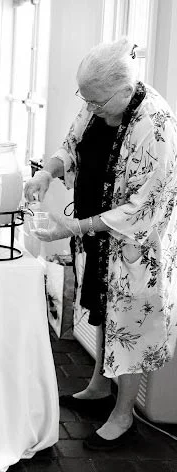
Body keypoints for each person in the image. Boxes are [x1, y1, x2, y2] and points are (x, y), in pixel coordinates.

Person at [25, 37, 177, 450]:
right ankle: (97, 386)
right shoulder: (99, 101)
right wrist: (47, 172)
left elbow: (142, 207)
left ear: (126, 91)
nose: (89, 108)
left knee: (126, 323)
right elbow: (71, 145)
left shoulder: (155, 125)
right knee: (101, 307)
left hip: (133, 247)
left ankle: (123, 413)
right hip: (95, 234)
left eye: (96, 102)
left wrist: (74, 227)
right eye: (85, 100)